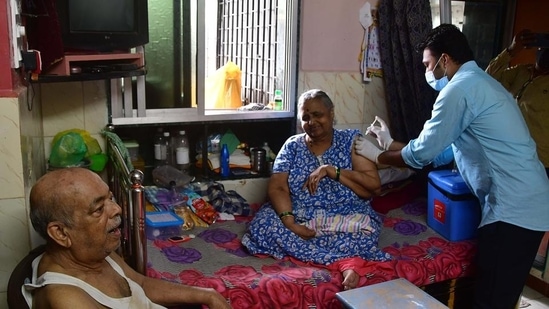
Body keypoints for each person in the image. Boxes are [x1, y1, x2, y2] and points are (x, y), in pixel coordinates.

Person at [354, 24, 549, 309]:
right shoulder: (478, 83)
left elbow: (421, 154)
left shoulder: (460, 90)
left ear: (445, 59)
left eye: (427, 64)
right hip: (525, 202)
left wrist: (377, 156)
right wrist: (389, 143)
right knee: (498, 294)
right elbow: (443, 153)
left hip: (515, 209)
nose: (426, 73)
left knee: (492, 300)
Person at [241, 89, 391, 291]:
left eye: (317, 115)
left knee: (365, 230)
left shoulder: (351, 140)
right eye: (306, 117)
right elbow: (277, 187)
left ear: (331, 113)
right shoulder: (292, 146)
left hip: (345, 215)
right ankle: (345, 260)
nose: (312, 122)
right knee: (262, 225)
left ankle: (341, 262)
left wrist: (334, 171)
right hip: (301, 214)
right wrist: (291, 223)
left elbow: (373, 186)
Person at [24, 167, 231, 309]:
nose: (117, 209)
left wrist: (208, 294)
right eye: (98, 209)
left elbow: (140, 284)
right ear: (60, 233)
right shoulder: (66, 297)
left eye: (110, 198)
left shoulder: (90, 254)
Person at [486, 29, 549, 177]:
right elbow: (488, 78)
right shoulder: (522, 72)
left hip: (540, 163)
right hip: (511, 155)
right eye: (543, 45)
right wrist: (512, 50)